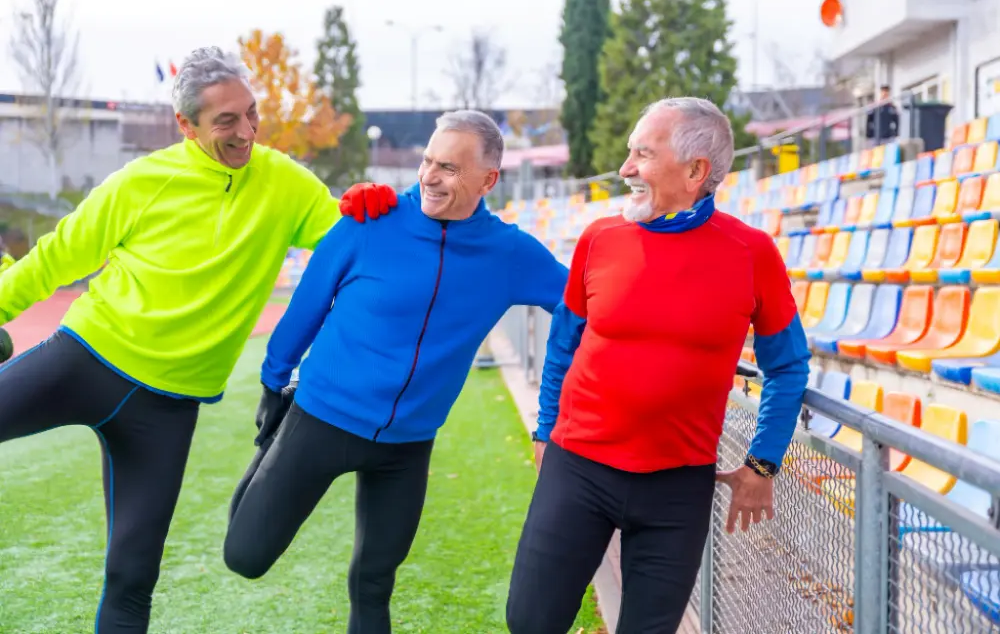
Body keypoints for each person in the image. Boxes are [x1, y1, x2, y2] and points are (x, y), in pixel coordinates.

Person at [0, 46, 393, 634]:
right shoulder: (141, 182)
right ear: (185, 125)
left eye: (251, 113)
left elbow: (351, 242)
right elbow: (55, 259)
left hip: (167, 408)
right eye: (225, 121)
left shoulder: (284, 182)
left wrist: (381, 210)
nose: (246, 132)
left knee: (133, 577)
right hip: (86, 359)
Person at [222, 109, 569, 634]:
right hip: (321, 419)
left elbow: (580, 305)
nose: (430, 175)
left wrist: (552, 416)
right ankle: (270, 454)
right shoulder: (368, 222)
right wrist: (275, 381)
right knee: (244, 556)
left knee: (375, 581)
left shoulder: (510, 253)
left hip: (407, 446)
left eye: (449, 168)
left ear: (488, 180)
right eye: (428, 161)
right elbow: (306, 307)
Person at [505, 97, 812, 634]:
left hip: (678, 486)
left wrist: (763, 463)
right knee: (530, 620)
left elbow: (787, 367)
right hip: (578, 467)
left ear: (696, 171)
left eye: (642, 155)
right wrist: (546, 427)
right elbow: (564, 342)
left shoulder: (752, 253)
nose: (625, 169)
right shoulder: (600, 239)